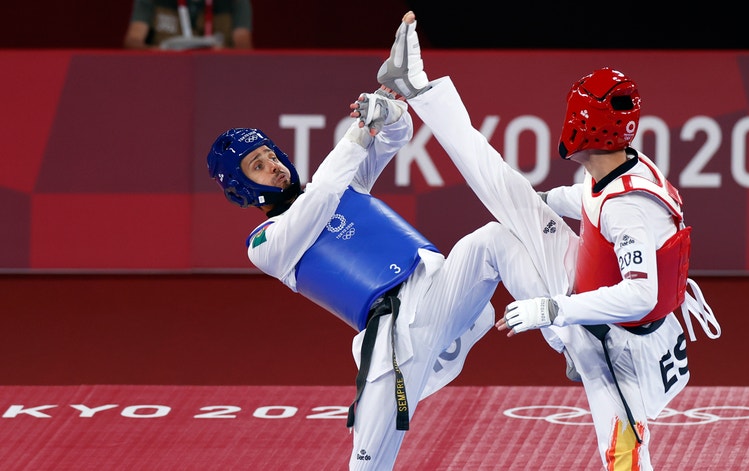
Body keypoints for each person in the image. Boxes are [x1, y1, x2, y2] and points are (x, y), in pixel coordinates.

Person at [375, 11, 721, 471]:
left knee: (625, 460)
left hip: (615, 341)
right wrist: (534, 202)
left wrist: (553, 312)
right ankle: (416, 84)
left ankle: (567, 343)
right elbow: (586, 199)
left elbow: (642, 294)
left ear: (584, 125)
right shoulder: (622, 167)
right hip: (583, 285)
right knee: (499, 224)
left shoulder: (629, 209)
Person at [206, 77, 571, 467]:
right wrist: (360, 129)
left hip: (440, 289)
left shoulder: (346, 182)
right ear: (240, 189)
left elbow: (395, 137)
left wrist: (389, 114)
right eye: (257, 166)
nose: (274, 167)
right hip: (396, 337)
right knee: (368, 462)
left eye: (271, 156)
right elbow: (322, 195)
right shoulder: (266, 244)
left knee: (494, 239)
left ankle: (567, 339)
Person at [123, 0, 252, 50]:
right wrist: (158, 52)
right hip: (163, 73)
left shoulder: (236, 2)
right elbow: (132, 42)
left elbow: (244, 48)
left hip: (218, 76)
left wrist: (221, 54)